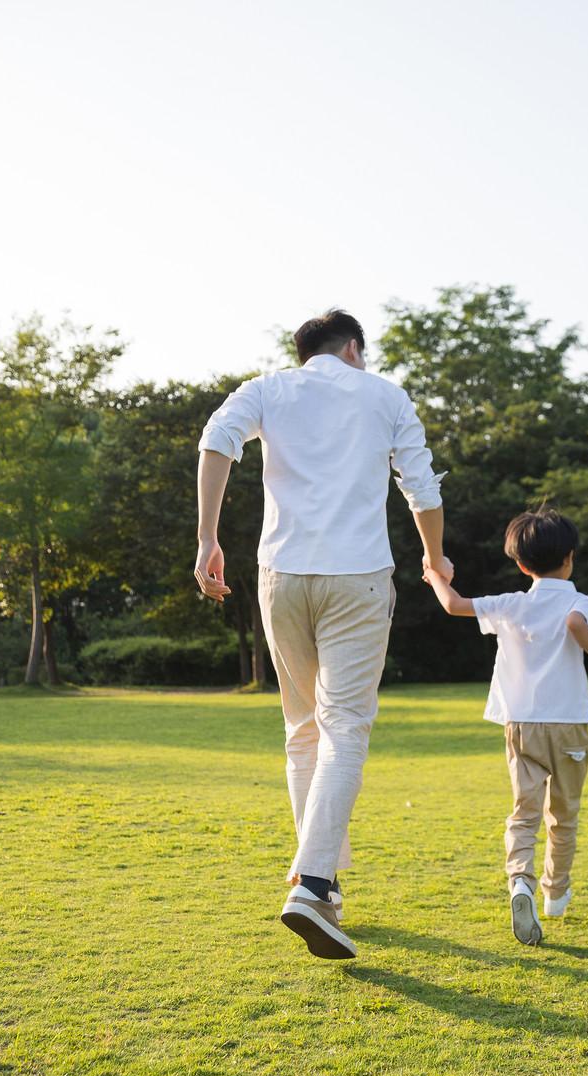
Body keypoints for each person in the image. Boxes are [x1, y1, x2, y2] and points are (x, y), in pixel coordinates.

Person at [194, 309, 450, 960]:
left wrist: (207, 541)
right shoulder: (385, 395)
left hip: (280, 576)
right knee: (343, 729)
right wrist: (435, 557)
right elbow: (419, 487)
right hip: (357, 578)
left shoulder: (267, 389)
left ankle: (324, 884)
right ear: (354, 348)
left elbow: (216, 442)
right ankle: (310, 883)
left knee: (303, 730)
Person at [420, 507, 588, 946]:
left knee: (523, 811)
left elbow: (453, 606)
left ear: (522, 564)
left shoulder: (511, 603)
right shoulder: (578, 601)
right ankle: (556, 894)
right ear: (569, 557)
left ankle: (520, 882)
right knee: (563, 815)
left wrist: (434, 573)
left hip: (521, 724)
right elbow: (574, 624)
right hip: (568, 725)